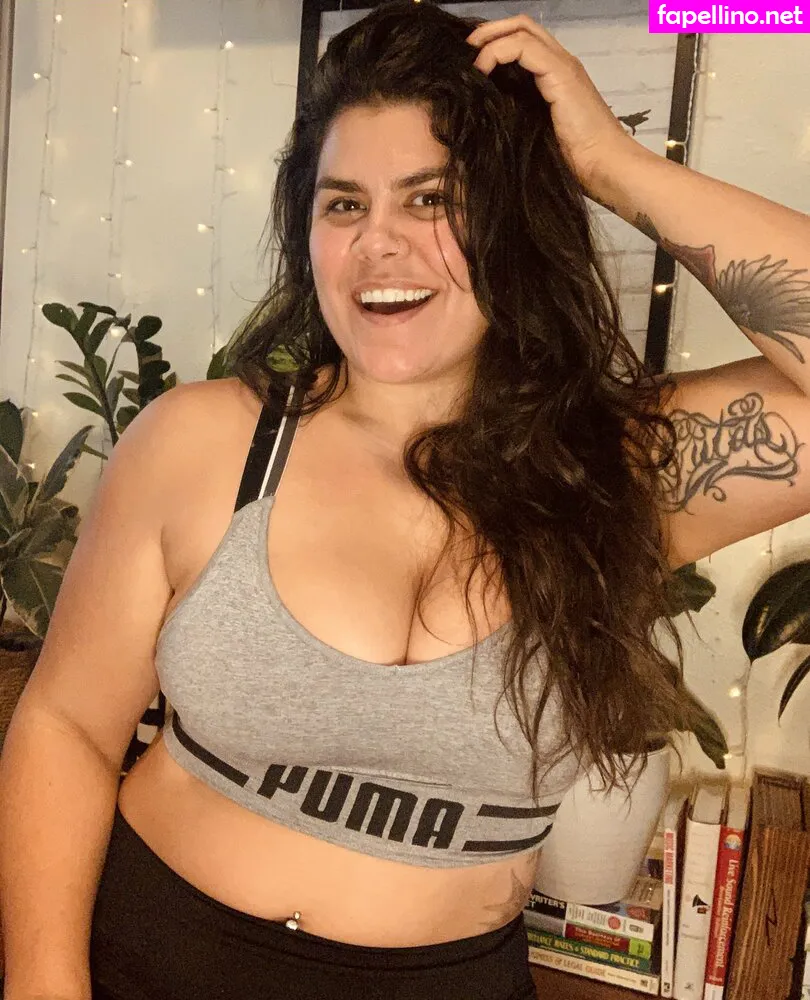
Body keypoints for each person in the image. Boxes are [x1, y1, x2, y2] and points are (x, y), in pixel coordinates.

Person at [1, 1, 809, 997]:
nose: (380, 243)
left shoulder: (621, 473)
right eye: (344, 205)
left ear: (513, 221)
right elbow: (68, 724)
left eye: (432, 199)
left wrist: (615, 167)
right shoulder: (203, 444)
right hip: (148, 959)